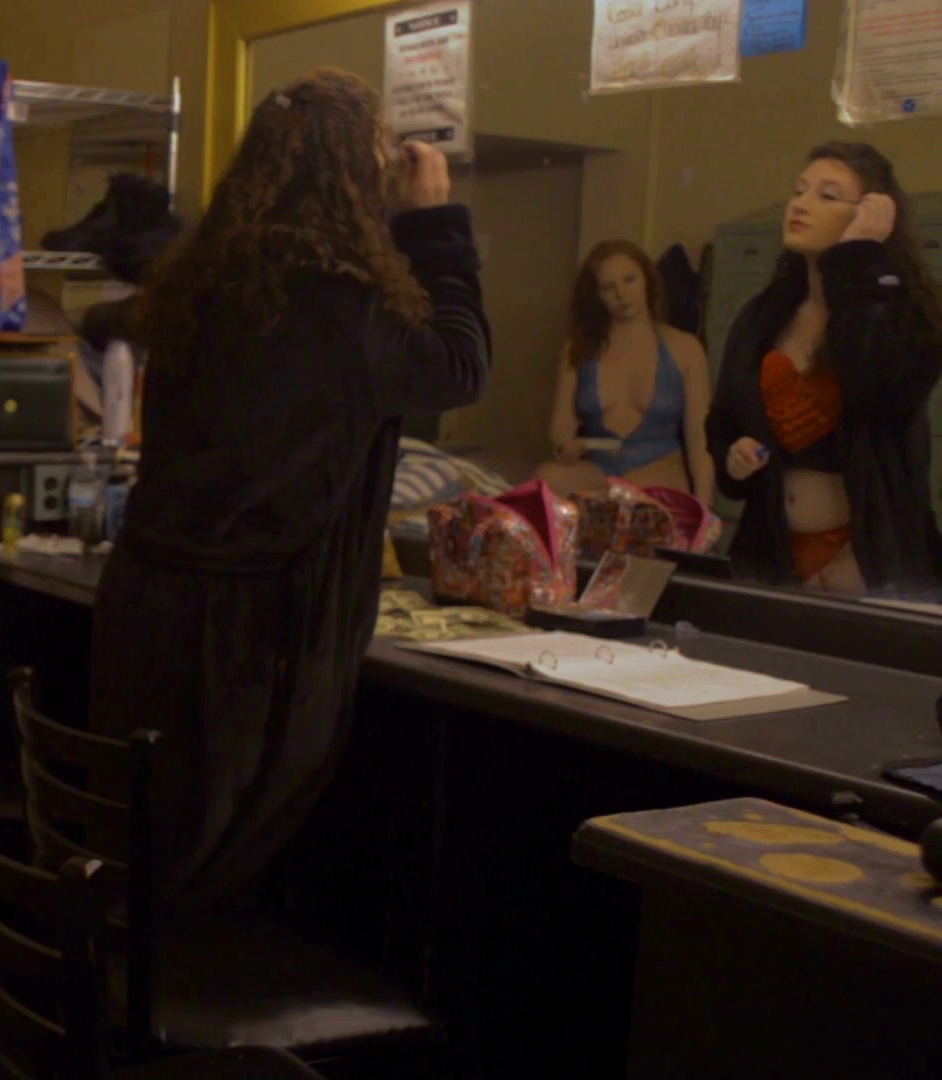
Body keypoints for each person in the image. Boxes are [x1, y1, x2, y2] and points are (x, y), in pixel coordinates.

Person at [87, 69, 490, 917]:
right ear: (354, 174)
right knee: (204, 877)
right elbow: (460, 366)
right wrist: (436, 223)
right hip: (249, 637)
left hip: (147, 602)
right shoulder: (345, 303)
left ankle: (107, 991)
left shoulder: (205, 282)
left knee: (139, 850)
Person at [706, 143, 942, 597]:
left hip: (866, 560)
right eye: (799, 191)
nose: (800, 204)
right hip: (770, 554)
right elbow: (723, 420)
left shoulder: (903, 312)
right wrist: (733, 457)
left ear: (871, 213)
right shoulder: (763, 315)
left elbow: (878, 385)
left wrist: (859, 257)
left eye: (827, 195)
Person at [539, 240, 713, 503]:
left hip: (658, 467)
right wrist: (565, 445)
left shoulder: (685, 348)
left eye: (629, 280)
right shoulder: (579, 349)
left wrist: (704, 506)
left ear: (647, 280)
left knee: (629, 502)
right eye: (608, 288)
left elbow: (700, 439)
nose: (621, 294)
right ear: (596, 295)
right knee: (546, 478)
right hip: (598, 466)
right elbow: (561, 427)